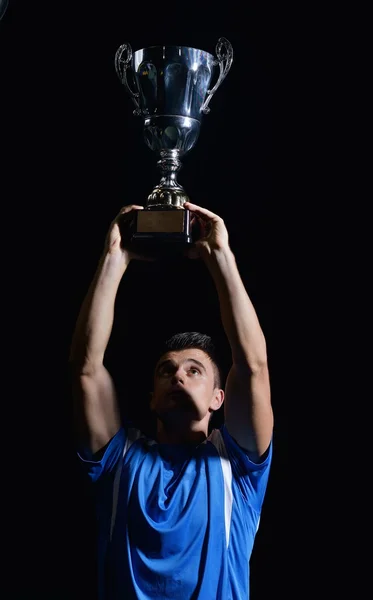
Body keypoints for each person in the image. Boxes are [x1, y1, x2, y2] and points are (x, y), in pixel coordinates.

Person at [69, 201, 274, 600]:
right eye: (166, 370)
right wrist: (115, 257)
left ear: (220, 398)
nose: (178, 374)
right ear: (151, 399)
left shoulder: (238, 468)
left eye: (194, 370)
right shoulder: (119, 460)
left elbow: (253, 365)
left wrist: (221, 257)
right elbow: (86, 368)